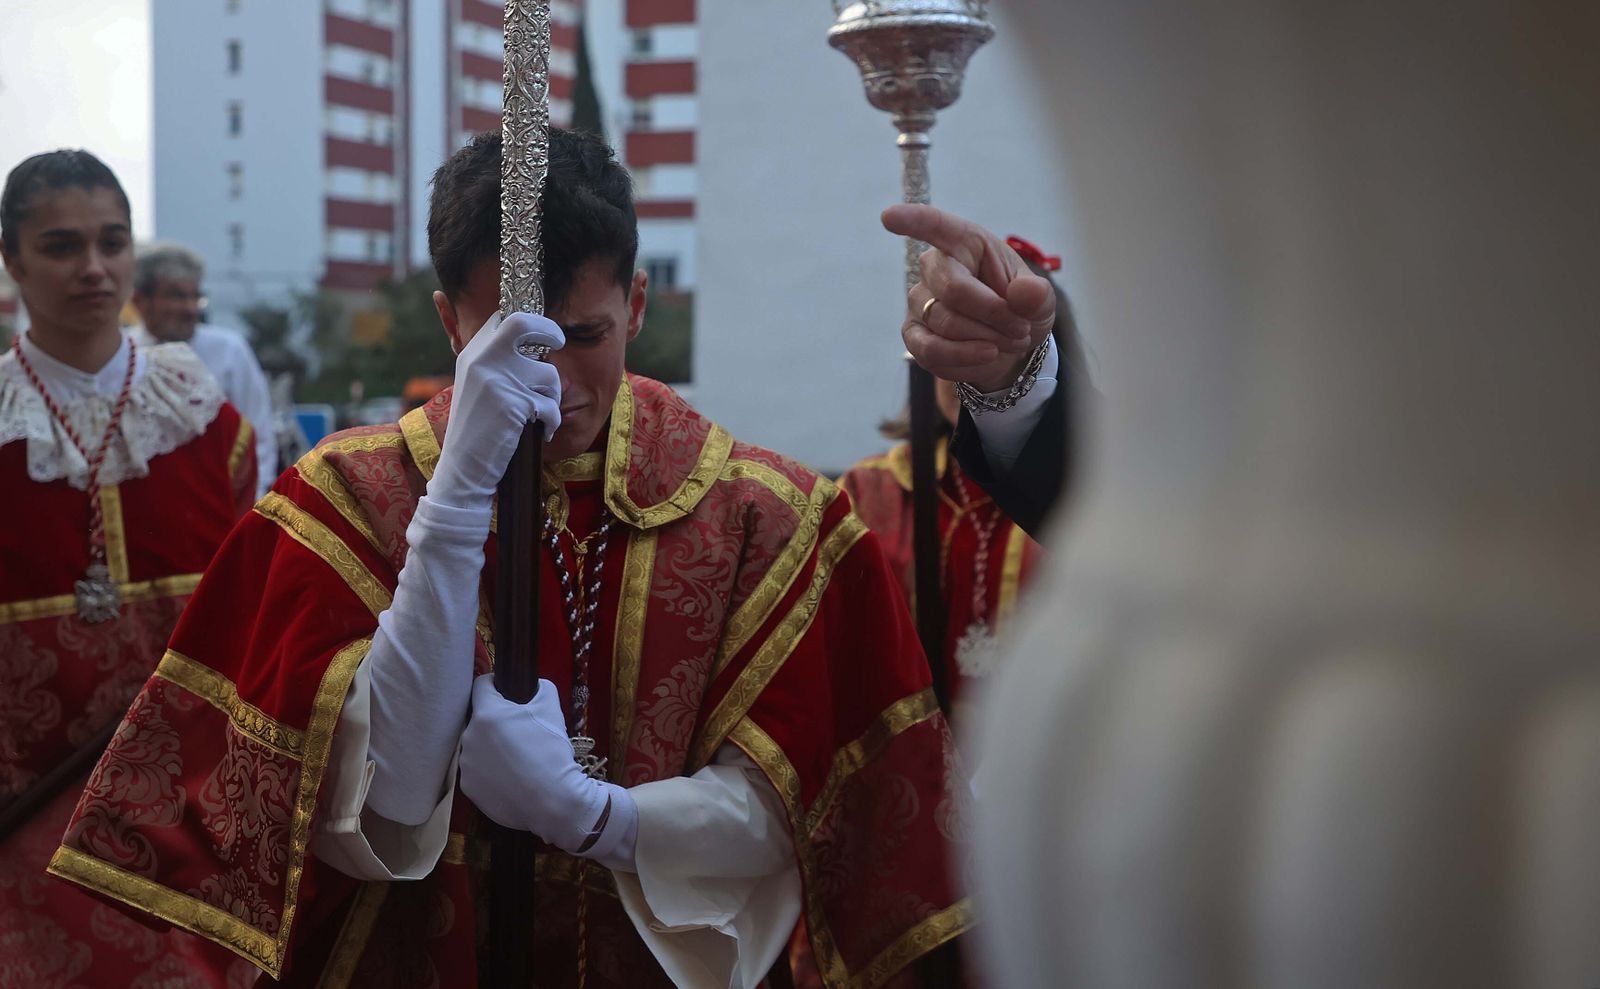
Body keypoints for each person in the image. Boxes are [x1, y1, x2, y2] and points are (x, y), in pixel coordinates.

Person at [51, 129, 969, 989]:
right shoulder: (339, 498)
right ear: (451, 320)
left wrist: (597, 818)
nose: (556, 384)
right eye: (512, 342)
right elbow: (379, 801)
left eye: (587, 336)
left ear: (637, 306)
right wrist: (454, 503)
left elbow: (791, 807)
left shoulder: (760, 512)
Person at [0, 150, 256, 986]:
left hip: (193, 829)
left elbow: (250, 631)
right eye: (62, 246)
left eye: (112, 242)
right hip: (24, 831)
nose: (94, 268)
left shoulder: (207, 425)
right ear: (12, 263)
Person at [840, 236, 1084, 723]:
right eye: (962, 341)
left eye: (1003, 347)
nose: (975, 368)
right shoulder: (869, 494)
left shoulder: (1090, 495)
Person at [883, 205, 1078, 538]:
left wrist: (1014, 374)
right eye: (957, 336)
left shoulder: (1097, 486)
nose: (967, 370)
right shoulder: (875, 491)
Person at [131, 241, 278, 497]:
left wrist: (251, 508)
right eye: (176, 295)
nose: (190, 309)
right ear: (140, 301)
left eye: (195, 296)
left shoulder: (230, 350)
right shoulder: (124, 353)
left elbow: (259, 436)